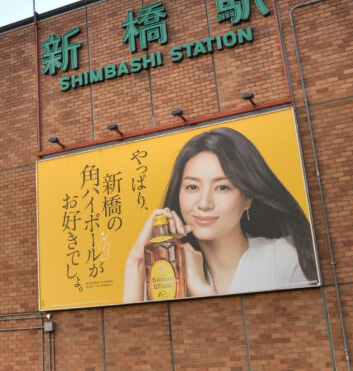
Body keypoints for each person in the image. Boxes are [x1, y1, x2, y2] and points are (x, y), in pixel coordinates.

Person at [124, 127, 317, 300]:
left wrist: (201, 291)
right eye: (192, 186)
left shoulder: (282, 259)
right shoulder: (165, 271)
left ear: (248, 197)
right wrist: (136, 261)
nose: (204, 203)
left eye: (222, 187)